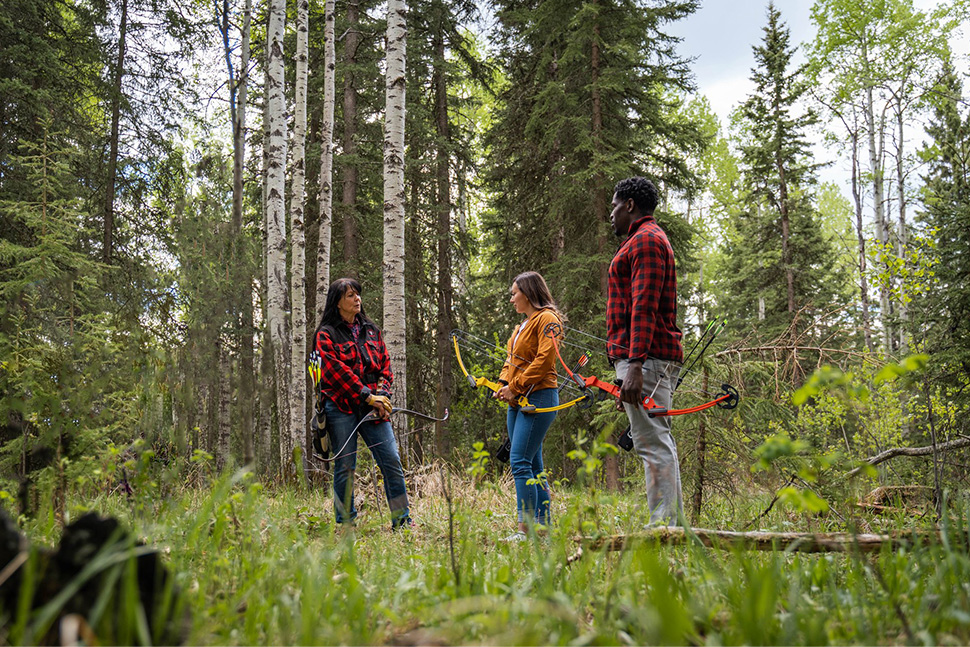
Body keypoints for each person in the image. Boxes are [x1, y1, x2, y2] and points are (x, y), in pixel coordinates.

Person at [607, 176, 685, 526]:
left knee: (653, 442)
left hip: (646, 359)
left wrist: (635, 365)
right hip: (641, 359)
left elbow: (644, 306)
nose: (610, 214)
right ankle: (666, 523)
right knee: (651, 440)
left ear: (630, 206)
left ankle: (665, 527)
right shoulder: (643, 241)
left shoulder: (647, 241)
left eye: (613, 206)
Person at [312, 278, 414, 531]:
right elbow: (334, 372)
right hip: (340, 407)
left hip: (374, 408)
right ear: (337, 302)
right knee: (345, 465)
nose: (357, 299)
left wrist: (382, 396)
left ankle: (402, 521)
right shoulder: (325, 334)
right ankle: (345, 524)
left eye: (357, 294)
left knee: (391, 460)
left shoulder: (372, 330)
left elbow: (385, 366)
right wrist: (368, 395)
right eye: (349, 295)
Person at [495, 271, 564, 541]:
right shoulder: (522, 326)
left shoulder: (547, 318)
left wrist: (516, 385)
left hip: (539, 396)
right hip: (518, 398)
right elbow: (511, 360)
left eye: (514, 293)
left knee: (520, 462)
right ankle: (543, 528)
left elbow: (545, 360)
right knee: (533, 465)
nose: (511, 298)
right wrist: (503, 383)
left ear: (528, 292)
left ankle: (526, 530)